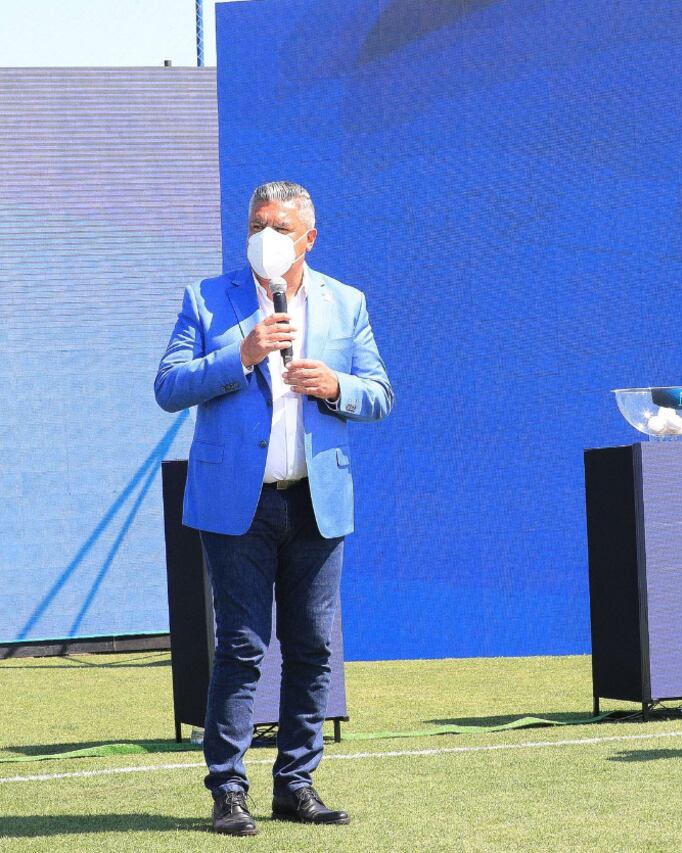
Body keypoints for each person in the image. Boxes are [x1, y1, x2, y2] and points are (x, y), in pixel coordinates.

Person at [155, 181, 393, 834]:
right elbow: (169, 386)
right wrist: (243, 354)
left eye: (282, 226)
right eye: (258, 223)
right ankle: (228, 788)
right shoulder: (207, 298)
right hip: (237, 504)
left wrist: (337, 385)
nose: (268, 235)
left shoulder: (346, 304)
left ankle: (295, 783)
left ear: (309, 238)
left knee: (313, 646)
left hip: (316, 501)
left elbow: (379, 392)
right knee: (241, 645)